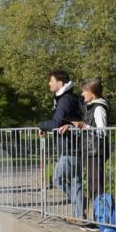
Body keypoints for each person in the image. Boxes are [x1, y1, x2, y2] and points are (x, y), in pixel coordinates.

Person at [39, 68, 85, 220]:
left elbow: (57, 122)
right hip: (73, 146)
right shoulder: (67, 98)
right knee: (75, 182)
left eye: (51, 81)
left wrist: (40, 125)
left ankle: (80, 206)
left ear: (60, 83)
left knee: (57, 179)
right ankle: (79, 215)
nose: (49, 84)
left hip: (70, 147)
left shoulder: (65, 100)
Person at [59, 78, 109, 210]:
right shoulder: (91, 108)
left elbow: (102, 132)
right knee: (93, 185)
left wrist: (84, 126)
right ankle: (98, 217)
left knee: (96, 185)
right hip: (90, 150)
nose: (82, 94)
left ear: (92, 92)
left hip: (96, 151)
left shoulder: (99, 108)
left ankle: (101, 218)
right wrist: (73, 127)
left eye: (84, 91)